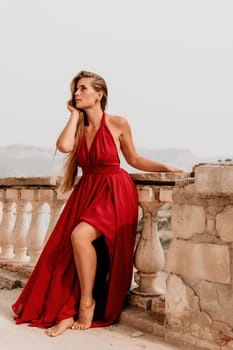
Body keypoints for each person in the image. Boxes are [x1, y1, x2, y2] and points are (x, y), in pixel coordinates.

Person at [12, 70, 183, 337]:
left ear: (99, 94)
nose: (77, 94)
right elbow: (65, 146)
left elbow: (134, 160)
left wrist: (168, 168)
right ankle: (70, 308)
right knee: (65, 250)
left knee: (79, 237)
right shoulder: (79, 127)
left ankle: (87, 303)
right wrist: (72, 115)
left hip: (115, 191)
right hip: (88, 191)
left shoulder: (117, 123)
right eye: (75, 90)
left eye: (83, 89)